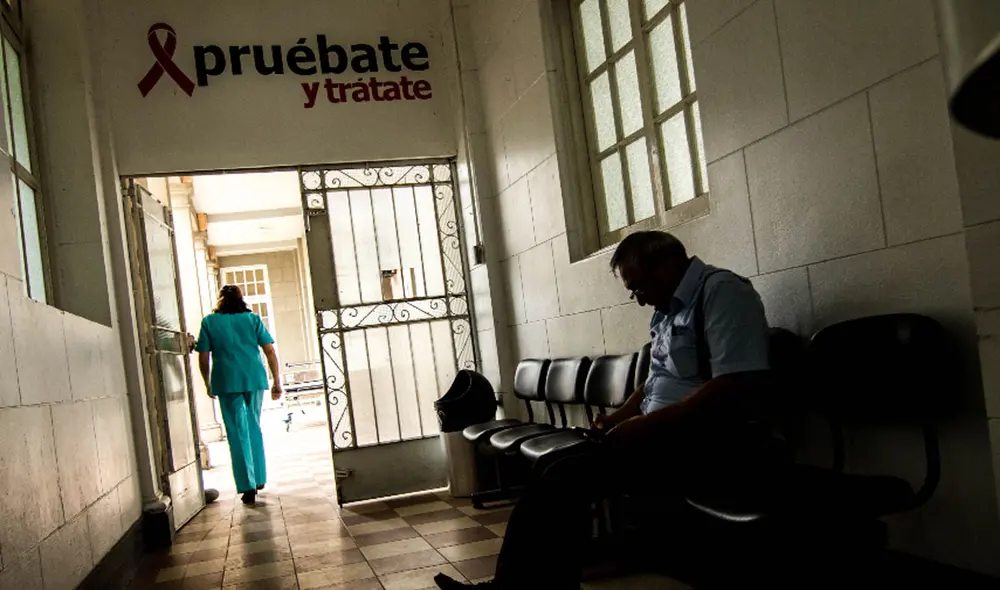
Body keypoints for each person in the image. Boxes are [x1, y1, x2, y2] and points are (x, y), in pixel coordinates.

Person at [435, 231, 772, 589]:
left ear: (666, 267)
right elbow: (657, 382)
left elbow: (733, 386)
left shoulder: (722, 293)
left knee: (564, 476)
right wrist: (618, 419)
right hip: (658, 436)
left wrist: (646, 426)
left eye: (638, 287)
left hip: (705, 441)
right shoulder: (668, 308)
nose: (639, 300)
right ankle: (518, 585)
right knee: (553, 467)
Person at [196, 285, 284, 505]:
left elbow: (203, 357)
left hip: (226, 380)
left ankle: (247, 485)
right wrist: (277, 381)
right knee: (254, 424)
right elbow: (270, 351)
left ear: (220, 300)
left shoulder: (209, 322)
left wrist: (207, 382)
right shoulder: (252, 319)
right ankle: (260, 478)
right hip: (253, 377)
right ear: (241, 299)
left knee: (236, 431)